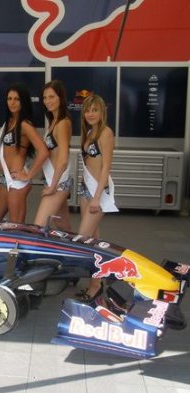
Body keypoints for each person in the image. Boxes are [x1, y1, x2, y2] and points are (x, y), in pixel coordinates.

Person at [76, 94, 118, 301]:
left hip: (97, 193)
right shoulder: (90, 132)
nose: (90, 114)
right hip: (86, 190)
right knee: (94, 241)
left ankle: (100, 281)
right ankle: (96, 284)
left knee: (83, 239)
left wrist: (97, 197)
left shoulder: (105, 133)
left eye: (95, 110)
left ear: (102, 112)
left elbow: (106, 167)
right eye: (87, 110)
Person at [0, 83, 48, 223]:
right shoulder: (9, 122)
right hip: (6, 179)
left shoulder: (24, 124)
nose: (12, 102)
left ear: (23, 101)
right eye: (9, 99)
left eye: (16, 99)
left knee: (16, 225)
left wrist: (29, 175)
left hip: (17, 181)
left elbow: (43, 151)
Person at [34, 80, 72, 231]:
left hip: (58, 183)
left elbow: (63, 160)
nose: (47, 101)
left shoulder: (62, 123)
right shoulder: (53, 121)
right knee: (63, 226)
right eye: (45, 97)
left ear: (60, 98)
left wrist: (52, 187)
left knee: (39, 226)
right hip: (53, 180)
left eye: (52, 97)